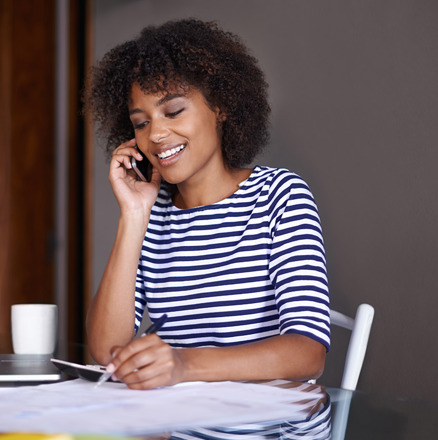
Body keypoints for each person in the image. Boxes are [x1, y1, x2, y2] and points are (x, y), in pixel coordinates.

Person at [84, 18, 330, 390]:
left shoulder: (280, 197)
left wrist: (184, 363)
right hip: (176, 424)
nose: (157, 134)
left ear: (221, 106)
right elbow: (106, 350)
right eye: (141, 122)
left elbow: (308, 353)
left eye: (173, 111)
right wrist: (134, 216)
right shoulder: (152, 215)